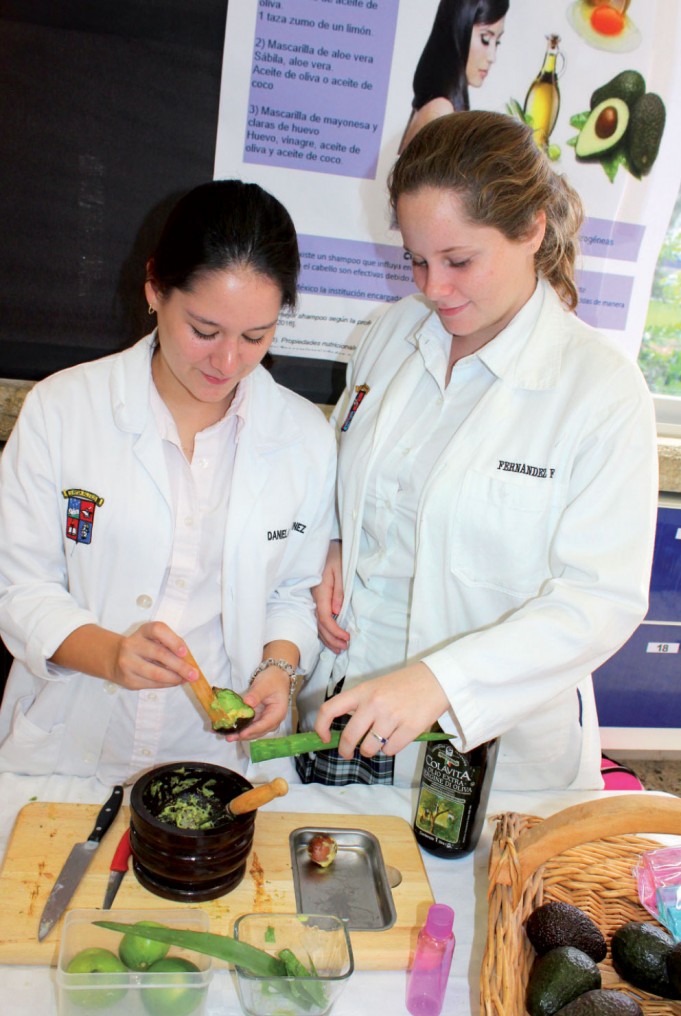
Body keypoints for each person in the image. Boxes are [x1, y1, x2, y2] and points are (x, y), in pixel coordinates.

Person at [296, 111, 658, 791]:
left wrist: (440, 681)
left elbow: (598, 600)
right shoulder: (392, 332)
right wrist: (340, 540)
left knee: (464, 893)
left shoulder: (599, 390)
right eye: (416, 261)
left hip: (488, 747)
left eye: (459, 261)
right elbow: (363, 481)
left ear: (530, 229)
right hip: (344, 710)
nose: (433, 289)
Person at [0, 179, 336, 785]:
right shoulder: (62, 410)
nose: (227, 362)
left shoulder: (303, 438)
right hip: (70, 748)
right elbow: (18, 588)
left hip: (214, 756)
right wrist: (110, 652)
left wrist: (279, 670)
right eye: (205, 330)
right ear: (155, 288)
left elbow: (292, 592)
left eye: (255, 337)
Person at [399, 0, 509, 153]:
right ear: (458, 28)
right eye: (485, 39)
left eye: (497, 42)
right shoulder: (441, 110)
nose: (492, 57)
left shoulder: (441, 105)